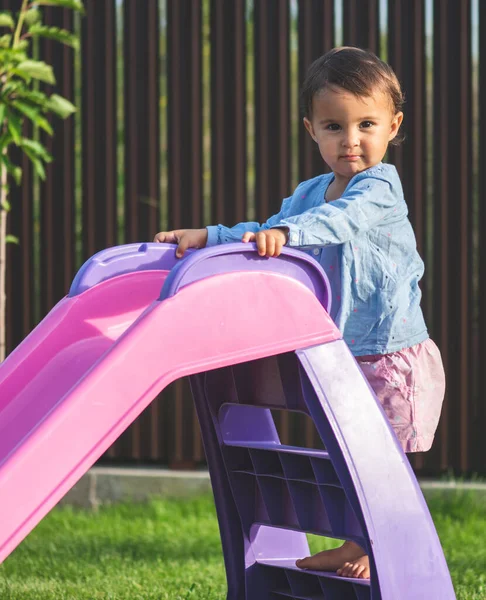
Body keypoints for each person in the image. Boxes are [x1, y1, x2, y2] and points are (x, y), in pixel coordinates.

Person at [153, 46, 445, 580]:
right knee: (347, 459)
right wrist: (210, 238)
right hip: (340, 353)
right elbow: (268, 229)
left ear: (393, 125)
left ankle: (364, 547)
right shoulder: (310, 193)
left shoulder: (380, 187)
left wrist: (288, 235)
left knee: (382, 461)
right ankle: (358, 541)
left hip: (390, 354)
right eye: (334, 126)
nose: (350, 141)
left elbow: (340, 223)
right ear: (311, 129)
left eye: (366, 124)